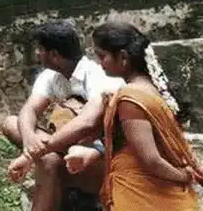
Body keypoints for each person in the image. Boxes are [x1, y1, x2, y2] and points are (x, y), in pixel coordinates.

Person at [59, 22, 203, 210]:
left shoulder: (130, 98)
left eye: (102, 56)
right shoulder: (153, 89)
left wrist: (185, 176)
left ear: (123, 57)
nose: (100, 63)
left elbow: (151, 160)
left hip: (143, 195)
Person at [2, 21, 123, 211]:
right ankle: (50, 158)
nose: (37, 54)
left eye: (40, 50)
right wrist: (29, 143)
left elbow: (88, 123)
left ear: (54, 55)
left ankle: (50, 161)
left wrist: (35, 153)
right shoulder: (50, 76)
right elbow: (29, 110)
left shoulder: (97, 75)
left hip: (96, 154)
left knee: (48, 162)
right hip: (63, 147)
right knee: (12, 123)